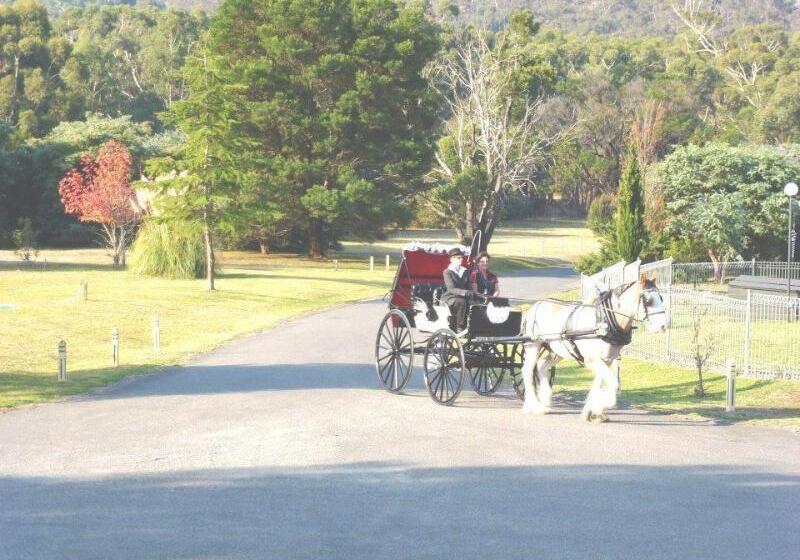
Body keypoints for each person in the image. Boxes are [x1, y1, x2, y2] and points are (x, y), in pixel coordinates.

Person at [441, 247, 472, 333]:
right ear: (451, 259)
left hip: (463, 297)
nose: (461, 259)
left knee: (475, 303)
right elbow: (451, 289)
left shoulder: (465, 271)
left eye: (462, 257)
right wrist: (465, 292)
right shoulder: (447, 272)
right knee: (461, 301)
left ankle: (473, 326)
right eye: (458, 258)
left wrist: (472, 292)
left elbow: (469, 286)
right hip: (450, 298)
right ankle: (460, 327)